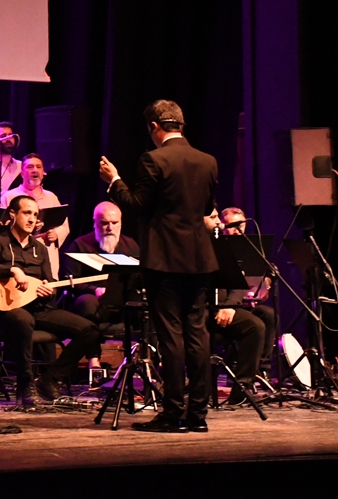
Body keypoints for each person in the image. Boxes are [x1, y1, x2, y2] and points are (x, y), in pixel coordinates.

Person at [100, 99, 219, 433]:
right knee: (197, 332)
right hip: (199, 259)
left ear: (154, 127)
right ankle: (197, 415)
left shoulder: (154, 159)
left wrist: (114, 180)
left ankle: (173, 413)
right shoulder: (207, 161)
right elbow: (207, 207)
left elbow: (137, 205)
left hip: (165, 260)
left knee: (171, 336)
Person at [0, 195, 99, 408]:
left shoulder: (40, 248)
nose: (32, 219)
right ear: (13, 214)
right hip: (8, 311)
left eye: (35, 214)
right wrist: (12, 270)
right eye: (27, 213)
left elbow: (50, 283)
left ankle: (49, 379)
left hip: (38, 309)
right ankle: (25, 383)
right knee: (23, 320)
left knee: (89, 330)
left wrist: (46, 289)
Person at [63, 201, 140, 369]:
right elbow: (69, 280)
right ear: (95, 223)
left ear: (121, 222)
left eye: (114, 223)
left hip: (121, 303)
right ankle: (93, 360)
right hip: (93, 303)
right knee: (87, 301)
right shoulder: (80, 245)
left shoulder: (131, 246)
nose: (110, 228)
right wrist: (94, 289)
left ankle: (148, 361)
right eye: (104, 223)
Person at [210, 206, 275, 402]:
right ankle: (241, 387)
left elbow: (269, 269)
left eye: (241, 225)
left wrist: (267, 283)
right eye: (233, 225)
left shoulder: (250, 246)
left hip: (242, 302)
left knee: (268, 314)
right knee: (255, 325)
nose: (238, 230)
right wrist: (229, 305)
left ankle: (260, 370)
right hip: (221, 304)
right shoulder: (218, 245)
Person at [1, 154, 72, 277]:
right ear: (22, 173)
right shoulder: (9, 197)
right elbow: (2, 226)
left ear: (43, 172)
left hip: (46, 254)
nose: (35, 170)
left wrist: (56, 234)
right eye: (30, 167)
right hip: (18, 257)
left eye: (38, 167)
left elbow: (64, 225)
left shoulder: (51, 197)